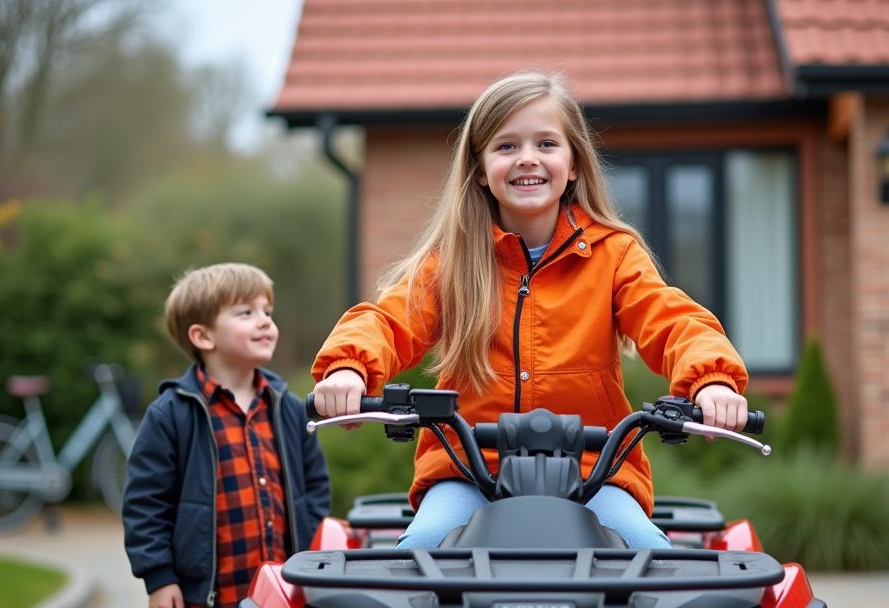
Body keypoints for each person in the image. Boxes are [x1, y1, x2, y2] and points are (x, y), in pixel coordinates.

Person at [311, 70, 747, 549]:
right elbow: (388, 320)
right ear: (478, 169)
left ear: (574, 163)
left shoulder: (614, 255)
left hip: (593, 474)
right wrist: (348, 369)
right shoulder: (452, 263)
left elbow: (672, 319)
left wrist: (713, 378)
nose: (527, 159)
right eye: (506, 147)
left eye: (545, 144)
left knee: (653, 562)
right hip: (466, 471)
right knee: (419, 556)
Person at [123, 263, 330, 608]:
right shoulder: (173, 414)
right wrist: (158, 576)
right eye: (246, 313)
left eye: (268, 311)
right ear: (203, 336)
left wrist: (309, 567)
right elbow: (145, 502)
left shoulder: (287, 407)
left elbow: (314, 490)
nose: (265, 322)